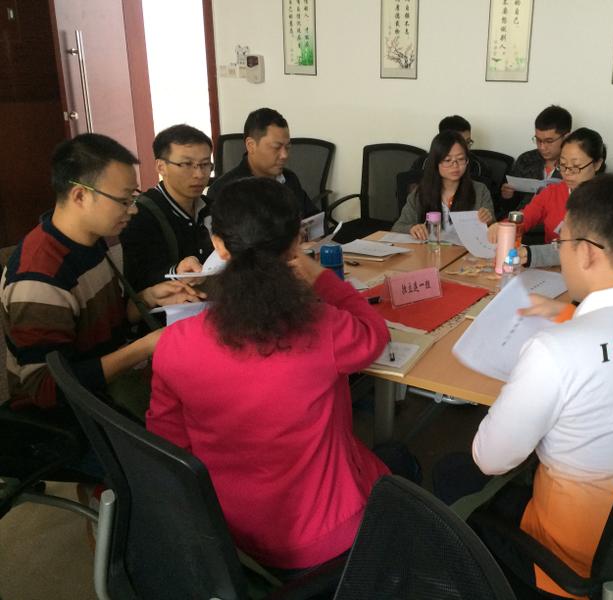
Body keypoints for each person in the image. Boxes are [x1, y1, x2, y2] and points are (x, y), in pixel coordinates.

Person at [471, 175, 613, 597]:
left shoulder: (555, 352)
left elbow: (490, 459)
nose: (560, 250)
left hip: (573, 566)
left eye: (561, 241)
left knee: (456, 479)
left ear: (585, 252)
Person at [147, 177, 392, 570]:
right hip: (325, 536)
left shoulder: (175, 342)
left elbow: (169, 445)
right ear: (296, 243)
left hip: (226, 535)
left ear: (219, 245)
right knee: (396, 464)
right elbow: (374, 334)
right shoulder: (323, 326)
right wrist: (320, 276)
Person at [1, 133, 201, 418]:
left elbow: (104, 323)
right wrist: (146, 346)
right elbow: (47, 389)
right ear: (80, 195)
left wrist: (148, 298)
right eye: (123, 200)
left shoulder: (92, 240)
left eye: (133, 197)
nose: (133, 209)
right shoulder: (38, 276)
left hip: (111, 386)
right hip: (75, 415)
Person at [120, 124, 215, 292]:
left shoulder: (212, 207)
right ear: (161, 167)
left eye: (205, 164)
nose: (199, 174)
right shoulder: (140, 215)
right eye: (186, 164)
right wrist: (177, 272)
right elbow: (139, 281)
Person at [487, 127, 606, 245]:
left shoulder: (609, 200)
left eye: (576, 166)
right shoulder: (552, 192)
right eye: (563, 164)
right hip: (547, 257)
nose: (567, 173)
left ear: (597, 164)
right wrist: (504, 226)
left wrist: (532, 254)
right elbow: (527, 216)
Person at [206, 107, 318, 217]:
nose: (285, 155)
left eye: (287, 147)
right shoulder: (223, 192)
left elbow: (314, 217)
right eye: (276, 147)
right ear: (251, 145)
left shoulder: (289, 178)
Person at [392, 130, 495, 239]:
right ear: (435, 163)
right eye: (447, 160)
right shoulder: (421, 192)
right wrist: (412, 228)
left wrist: (489, 221)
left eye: (460, 159)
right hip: (431, 248)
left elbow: (493, 228)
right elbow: (397, 227)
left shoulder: (480, 190)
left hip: (464, 249)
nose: (455, 165)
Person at [500, 105, 572, 211]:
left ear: (566, 137)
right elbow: (509, 207)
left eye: (549, 141)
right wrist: (507, 197)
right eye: (538, 140)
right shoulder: (526, 160)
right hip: (522, 218)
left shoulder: (575, 166)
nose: (542, 147)